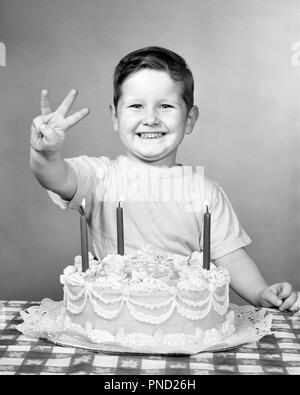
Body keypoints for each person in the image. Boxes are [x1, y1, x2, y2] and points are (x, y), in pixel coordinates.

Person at [30, 46, 299, 314]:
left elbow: (231, 257)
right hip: (115, 319)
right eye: (136, 106)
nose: (150, 119)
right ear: (115, 117)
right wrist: (45, 152)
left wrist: (261, 292)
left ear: (190, 119)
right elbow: (55, 176)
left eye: (166, 106)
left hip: (183, 321)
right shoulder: (100, 176)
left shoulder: (204, 191)